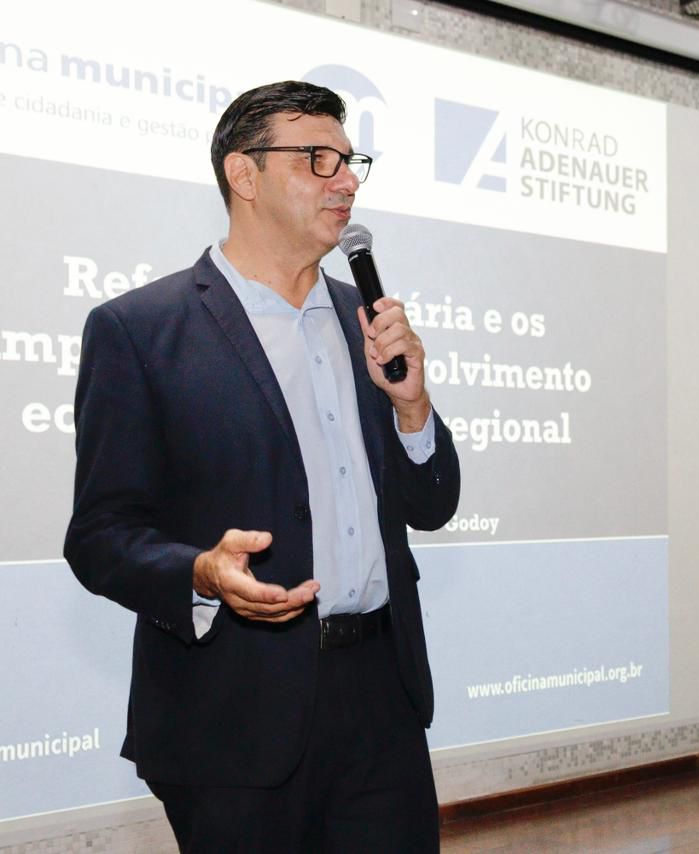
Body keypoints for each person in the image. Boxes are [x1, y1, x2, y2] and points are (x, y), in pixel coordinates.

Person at [64, 80, 460, 852]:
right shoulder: (140, 330)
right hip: (231, 715)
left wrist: (413, 409)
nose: (345, 182)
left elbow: (432, 506)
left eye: (351, 163)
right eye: (317, 160)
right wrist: (201, 573)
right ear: (243, 174)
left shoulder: (370, 324)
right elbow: (100, 535)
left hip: (381, 700)